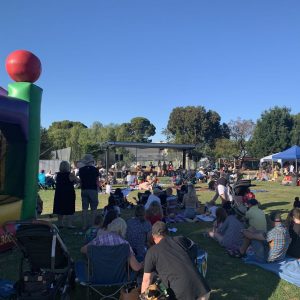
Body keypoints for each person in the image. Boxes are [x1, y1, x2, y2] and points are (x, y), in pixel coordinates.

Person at [141, 221, 210, 300]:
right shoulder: (181, 239)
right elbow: (194, 248)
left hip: (182, 294)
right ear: (167, 233)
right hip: (202, 289)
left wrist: (143, 298)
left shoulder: (151, 252)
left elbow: (146, 280)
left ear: (153, 237)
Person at [53, 161, 78, 228]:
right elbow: (77, 180)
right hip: (68, 193)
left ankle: (60, 223)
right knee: (69, 208)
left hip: (59, 193)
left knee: (60, 208)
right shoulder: (70, 174)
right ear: (68, 167)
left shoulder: (58, 174)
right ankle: (69, 224)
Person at [78, 154, 100, 230]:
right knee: (94, 209)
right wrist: (98, 189)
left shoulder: (81, 170)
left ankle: (84, 226)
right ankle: (92, 225)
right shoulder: (95, 170)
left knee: (84, 209)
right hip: (93, 190)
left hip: (84, 190)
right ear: (92, 161)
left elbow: (80, 181)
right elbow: (97, 181)